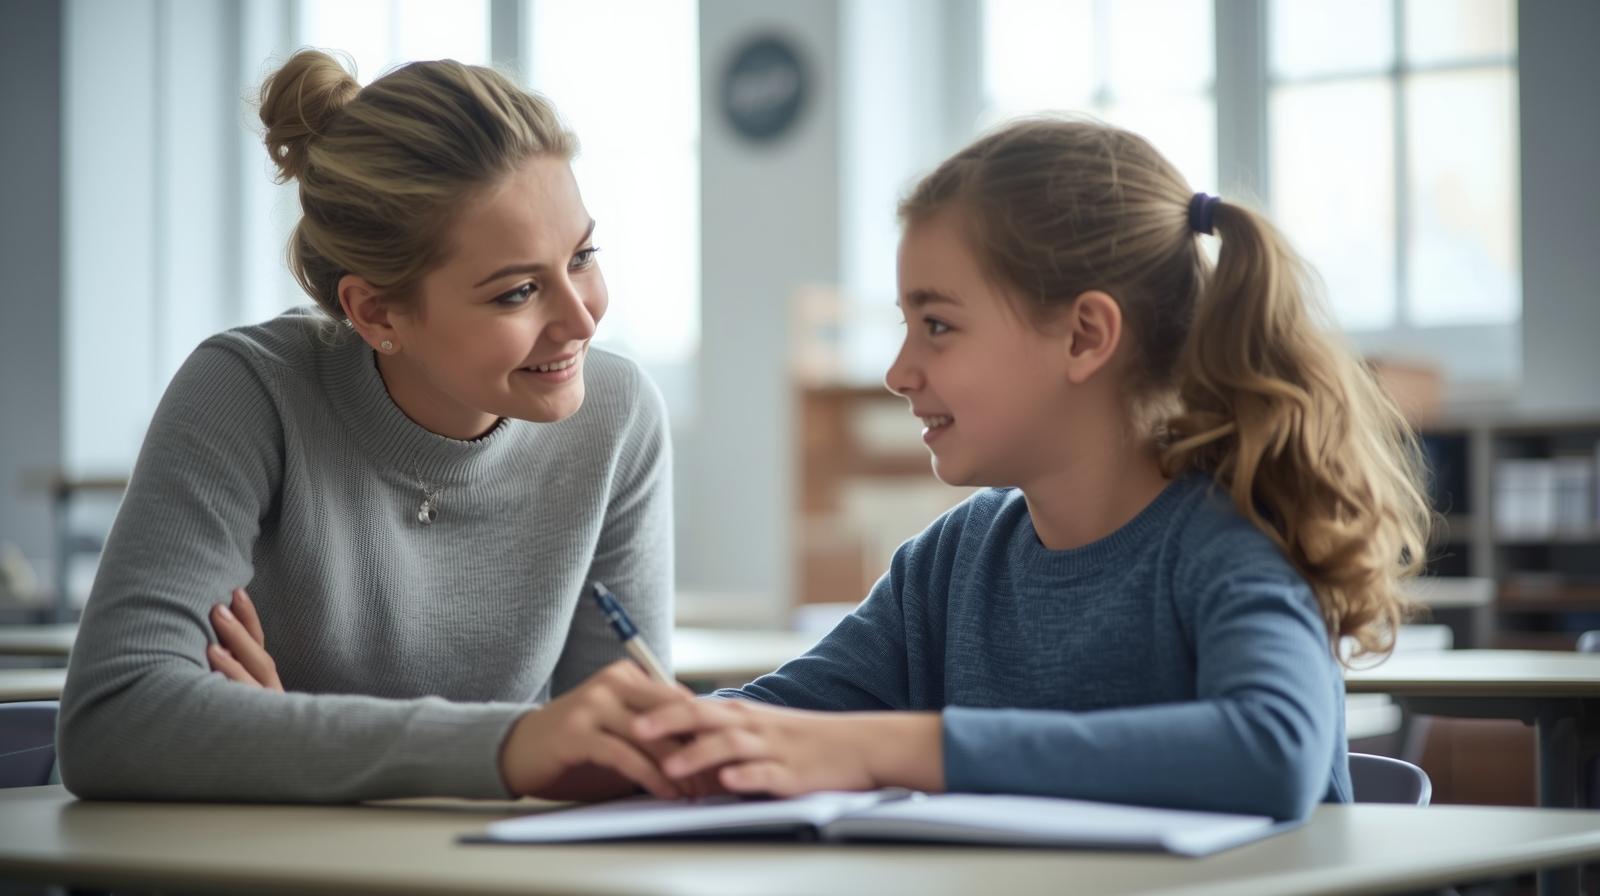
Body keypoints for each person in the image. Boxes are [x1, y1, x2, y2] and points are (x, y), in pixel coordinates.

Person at [632, 117, 1433, 821]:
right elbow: (776, 720)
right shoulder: (953, 562)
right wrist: (652, 735)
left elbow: (1272, 751)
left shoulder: (1226, 539)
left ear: (1085, 335)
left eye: (937, 325)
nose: (899, 371)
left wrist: (903, 748)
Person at [57, 50, 692, 804]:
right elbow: (114, 720)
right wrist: (506, 745)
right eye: (519, 291)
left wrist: (280, 735)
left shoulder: (617, 418)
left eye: (582, 255)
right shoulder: (250, 391)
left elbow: (619, 764)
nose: (584, 318)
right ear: (377, 313)